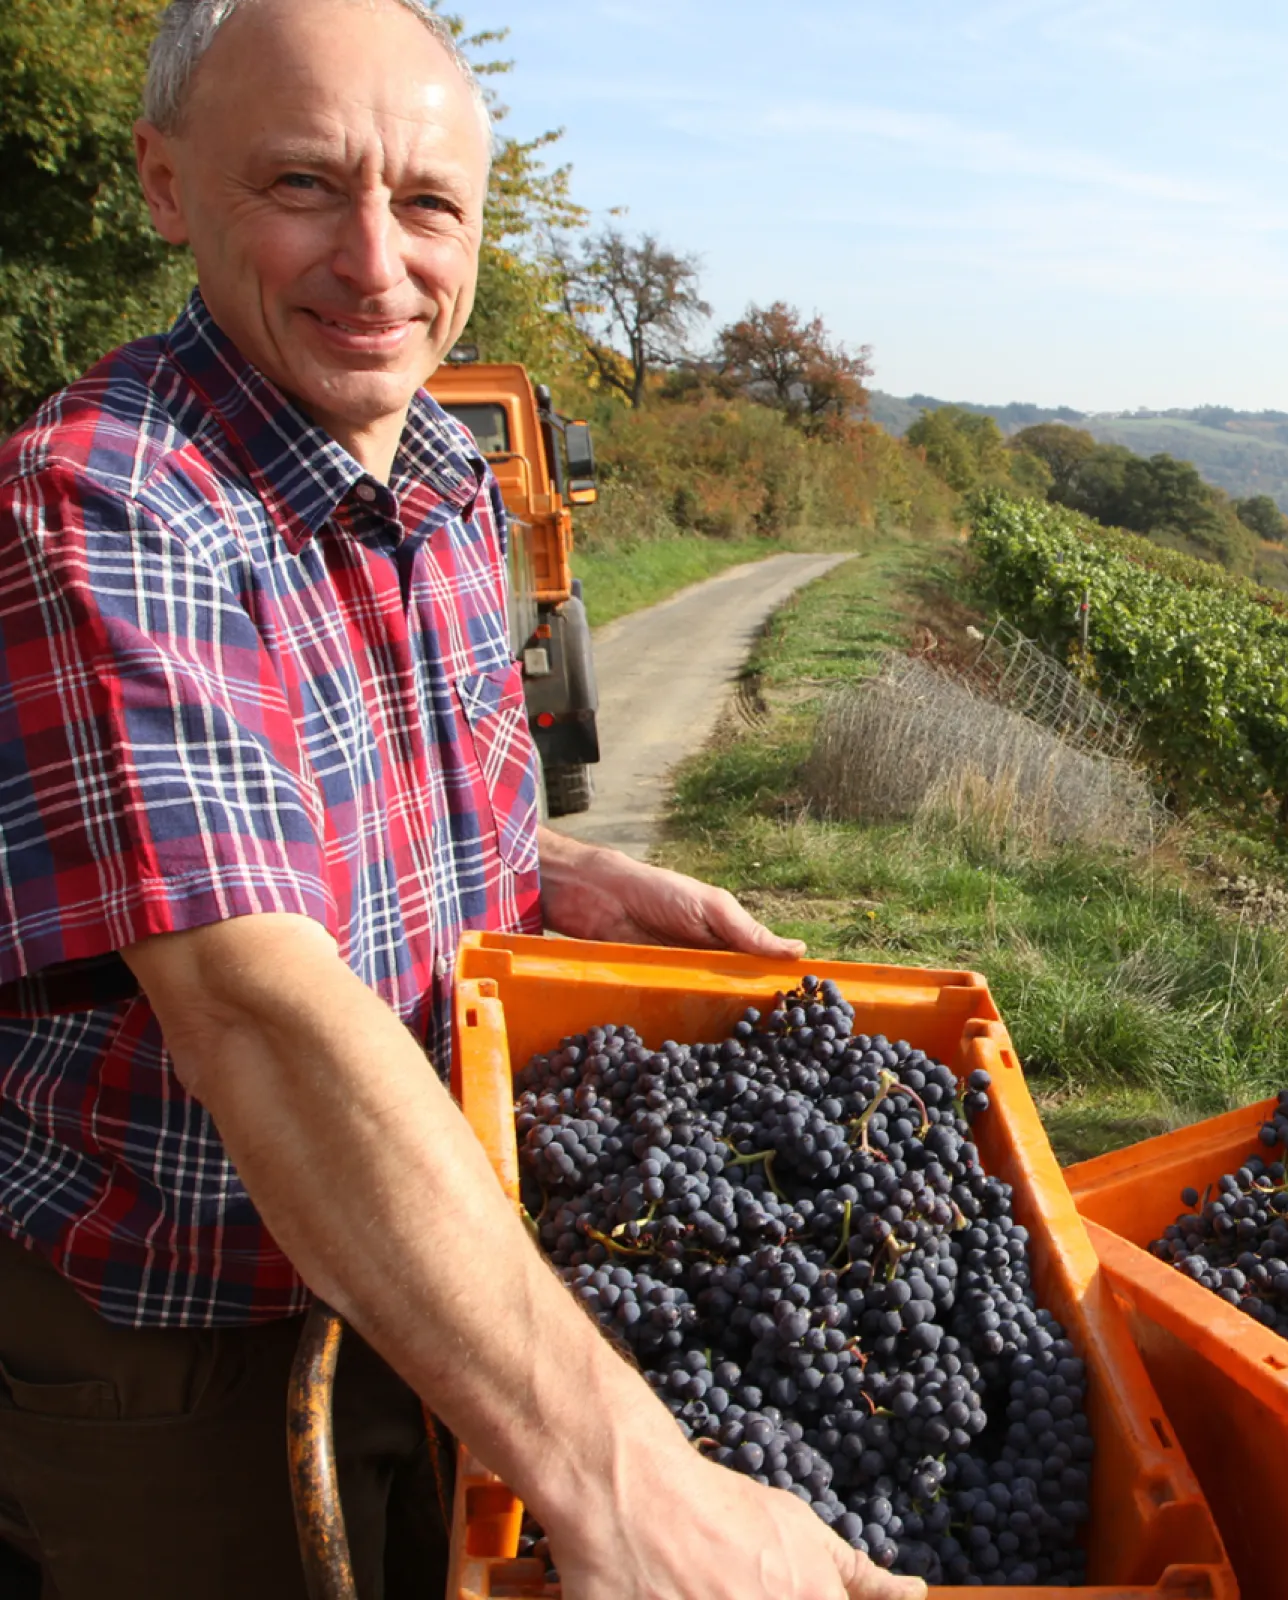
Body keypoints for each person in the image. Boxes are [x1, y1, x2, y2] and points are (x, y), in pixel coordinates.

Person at [0, 3, 923, 1597]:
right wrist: (628, 1482)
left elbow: (333, 793)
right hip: (195, 1347)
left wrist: (543, 868)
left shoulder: (436, 473)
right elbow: (257, 1005)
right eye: (302, 184)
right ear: (164, 183)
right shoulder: (105, 502)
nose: (377, 264)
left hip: (449, 1272)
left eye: (427, 203)